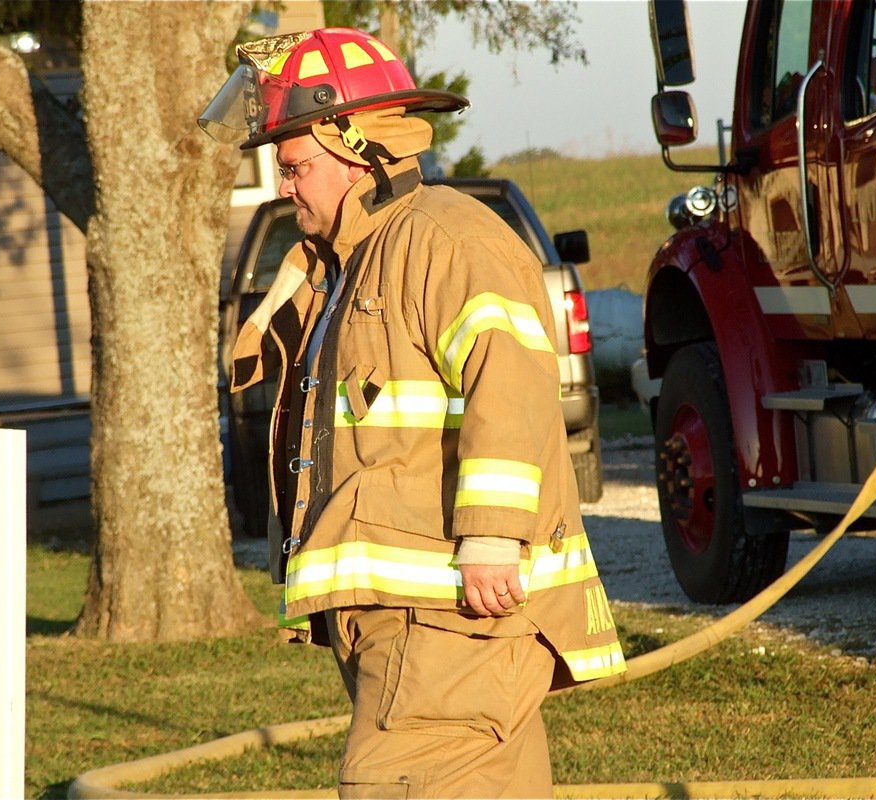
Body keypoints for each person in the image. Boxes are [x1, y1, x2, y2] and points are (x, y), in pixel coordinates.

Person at [199, 27, 626, 798]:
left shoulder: (445, 239)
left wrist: (492, 537)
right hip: (411, 623)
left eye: (295, 168)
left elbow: (513, 382)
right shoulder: (356, 262)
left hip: (449, 622)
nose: (284, 188)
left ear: (358, 149)